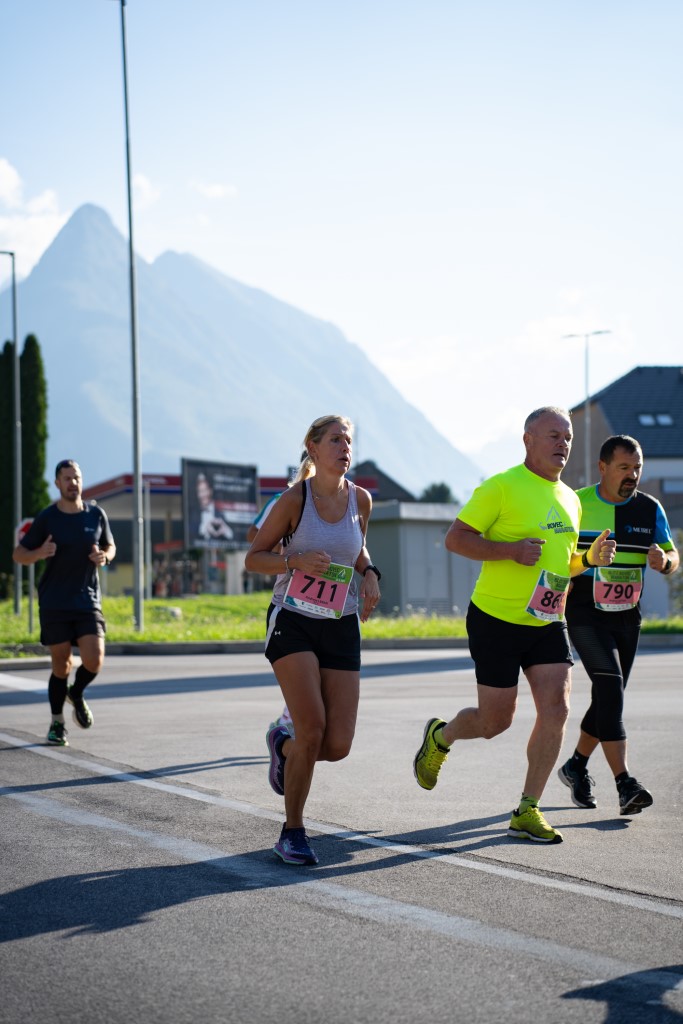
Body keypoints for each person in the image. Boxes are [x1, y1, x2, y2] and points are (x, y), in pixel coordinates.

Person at [413, 407, 616, 844]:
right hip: (496, 620)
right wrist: (509, 550)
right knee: (494, 722)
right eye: (553, 435)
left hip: (548, 619)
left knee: (557, 709)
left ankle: (528, 808)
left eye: (567, 437)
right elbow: (455, 539)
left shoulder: (571, 499)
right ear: (528, 440)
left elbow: (561, 562)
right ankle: (441, 736)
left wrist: (588, 559)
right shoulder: (501, 486)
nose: (563, 444)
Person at [245, 415, 381, 865]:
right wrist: (294, 561)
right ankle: (292, 832)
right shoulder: (293, 500)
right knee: (313, 728)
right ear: (314, 447)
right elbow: (253, 558)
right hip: (294, 620)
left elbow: (357, 548)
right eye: (336, 440)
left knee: (337, 745)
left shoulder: (360, 499)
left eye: (349, 441)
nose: (345, 448)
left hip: (340, 621)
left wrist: (370, 572)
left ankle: (282, 746)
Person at [558, 434, 679, 816]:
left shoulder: (649, 508)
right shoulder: (576, 503)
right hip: (584, 612)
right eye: (624, 467)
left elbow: (672, 553)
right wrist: (584, 561)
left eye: (637, 467)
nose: (633, 475)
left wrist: (665, 563)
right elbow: (557, 556)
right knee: (610, 687)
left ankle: (576, 766)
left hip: (627, 616)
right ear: (603, 467)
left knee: (607, 696)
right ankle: (625, 783)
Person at [12, 459, 116, 746]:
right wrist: (40, 552)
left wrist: (105, 557)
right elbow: (19, 554)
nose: (73, 483)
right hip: (55, 602)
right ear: (57, 483)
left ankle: (76, 693)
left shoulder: (96, 514)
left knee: (94, 659)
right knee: (62, 665)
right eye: (67, 478)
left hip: (87, 599)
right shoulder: (48, 518)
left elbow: (110, 545)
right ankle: (57, 723)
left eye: (77, 477)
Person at [248, 488, 294, 735]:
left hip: (331, 604)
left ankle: (290, 720)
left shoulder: (341, 499)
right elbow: (253, 534)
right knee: (301, 668)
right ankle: (287, 721)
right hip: (290, 597)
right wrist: (281, 549)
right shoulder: (282, 499)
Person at [196, 472, 234, 541]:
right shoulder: (192, 514)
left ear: (210, 491)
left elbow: (232, 535)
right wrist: (206, 527)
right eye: (200, 491)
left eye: (205, 490)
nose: (203, 495)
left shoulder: (221, 510)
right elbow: (192, 536)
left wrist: (224, 529)